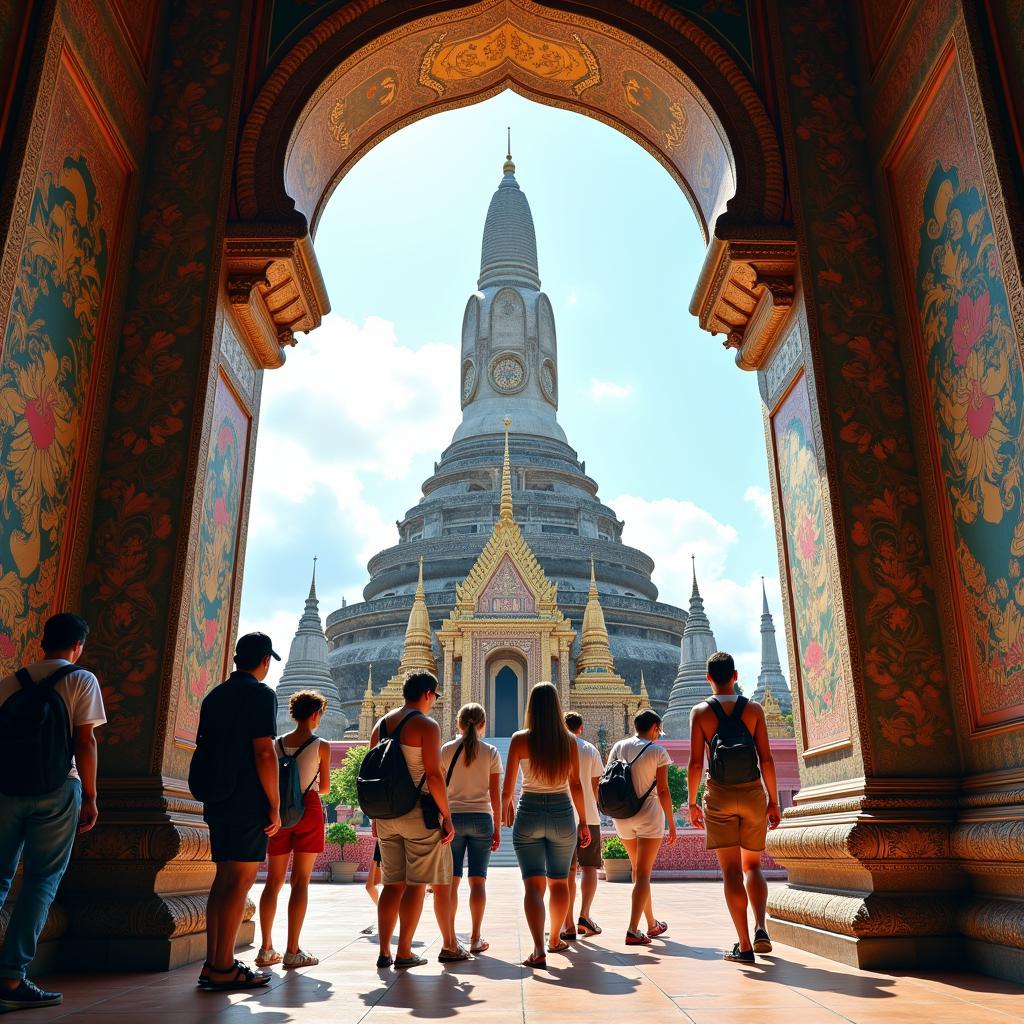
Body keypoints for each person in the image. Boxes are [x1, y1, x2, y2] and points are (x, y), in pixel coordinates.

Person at [0, 613, 105, 1012]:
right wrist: (92, 796)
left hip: (7, 791)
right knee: (42, 880)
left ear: (43, 642)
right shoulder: (81, 679)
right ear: (78, 645)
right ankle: (11, 975)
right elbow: (86, 741)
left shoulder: (11, 682)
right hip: (59, 788)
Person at [196, 633, 281, 991]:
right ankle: (224, 965)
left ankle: (214, 962)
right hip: (247, 799)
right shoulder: (261, 694)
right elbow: (264, 752)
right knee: (239, 881)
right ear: (264, 661)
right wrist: (275, 805)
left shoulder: (214, 696)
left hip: (217, 797)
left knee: (223, 880)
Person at [687, 651, 781, 963]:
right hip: (753, 792)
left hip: (719, 794)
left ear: (708, 678)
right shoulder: (754, 710)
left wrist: (691, 802)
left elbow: (695, 763)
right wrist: (773, 800)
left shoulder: (700, 712)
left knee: (730, 871)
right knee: (753, 866)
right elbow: (766, 759)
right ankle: (760, 927)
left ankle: (744, 944)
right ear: (736, 676)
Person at [371, 672, 463, 969]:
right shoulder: (427, 725)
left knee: (391, 884)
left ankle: (384, 951)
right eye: (435, 697)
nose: (434, 702)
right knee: (415, 885)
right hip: (417, 814)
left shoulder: (380, 724)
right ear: (426, 694)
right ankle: (404, 952)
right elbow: (434, 775)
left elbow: (372, 772)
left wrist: (373, 815)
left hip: (386, 815)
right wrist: (447, 816)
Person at [501, 682, 590, 969]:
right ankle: (554, 938)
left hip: (529, 810)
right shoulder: (568, 741)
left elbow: (507, 788)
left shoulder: (519, 739)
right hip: (563, 812)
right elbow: (576, 784)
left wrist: (505, 810)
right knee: (559, 881)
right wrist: (584, 821)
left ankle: (538, 948)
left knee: (533, 886)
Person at [257, 690, 332, 969]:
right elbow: (323, 788)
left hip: (277, 812)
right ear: (315, 715)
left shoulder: (276, 744)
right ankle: (292, 950)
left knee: (273, 882)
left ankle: (265, 949)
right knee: (300, 881)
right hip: (308, 809)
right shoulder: (321, 745)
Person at [606, 708, 676, 945]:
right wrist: (673, 824)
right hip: (649, 816)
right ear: (655, 728)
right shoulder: (658, 751)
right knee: (643, 873)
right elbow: (664, 791)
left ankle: (651, 924)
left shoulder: (618, 747)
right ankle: (633, 929)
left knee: (638, 871)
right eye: (659, 730)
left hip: (622, 816)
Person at [440, 703, 502, 954]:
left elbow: (438, 788)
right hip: (481, 819)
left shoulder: (446, 750)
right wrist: (497, 828)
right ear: (483, 724)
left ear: (458, 724)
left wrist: (444, 818)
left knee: (452, 882)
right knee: (478, 881)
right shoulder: (491, 752)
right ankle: (476, 937)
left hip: (453, 819)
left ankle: (452, 938)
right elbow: (495, 795)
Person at [560, 712, 603, 941]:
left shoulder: (558, 750)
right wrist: (589, 805)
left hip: (565, 817)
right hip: (590, 817)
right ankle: (584, 916)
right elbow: (595, 784)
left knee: (568, 872)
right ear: (581, 728)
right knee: (588, 868)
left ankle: (567, 923)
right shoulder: (590, 749)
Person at [360, 843, 382, 934]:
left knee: (394, 886)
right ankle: (384, 912)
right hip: (382, 840)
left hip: (392, 840)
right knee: (370, 886)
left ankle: (385, 914)